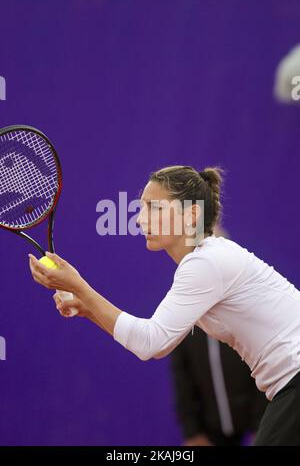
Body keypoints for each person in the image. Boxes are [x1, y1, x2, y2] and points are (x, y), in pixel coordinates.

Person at [29, 165, 300, 446]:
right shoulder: (204, 262)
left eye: (154, 208)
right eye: (141, 208)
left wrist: (79, 287)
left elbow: (151, 342)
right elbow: (153, 340)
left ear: (191, 215)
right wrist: (86, 306)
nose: (140, 220)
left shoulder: (206, 262)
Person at [171, 326, 268, 446]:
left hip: (258, 424)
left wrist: (263, 426)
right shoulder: (186, 328)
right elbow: (183, 384)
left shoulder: (245, 321)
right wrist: (192, 433)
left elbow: (263, 371)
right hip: (209, 428)